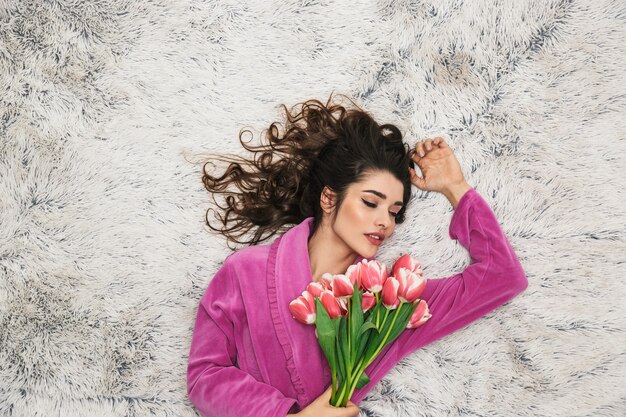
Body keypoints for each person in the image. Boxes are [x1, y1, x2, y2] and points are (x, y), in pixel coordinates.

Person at [186, 94, 529, 417]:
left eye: (395, 212)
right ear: (329, 199)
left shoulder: (392, 304)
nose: (385, 222)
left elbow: (501, 276)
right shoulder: (244, 272)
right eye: (370, 202)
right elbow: (204, 375)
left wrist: (454, 187)